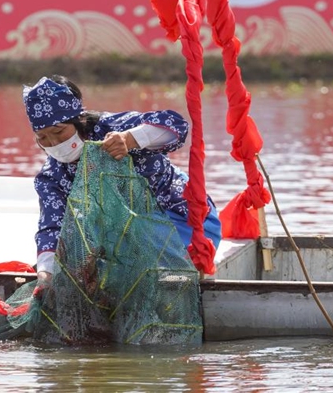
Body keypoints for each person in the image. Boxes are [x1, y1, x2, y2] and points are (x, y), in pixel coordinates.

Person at [23, 75, 222, 287]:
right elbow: (52, 226)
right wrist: (46, 272)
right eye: (42, 138)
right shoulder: (51, 176)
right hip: (126, 238)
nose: (53, 143)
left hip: (183, 223)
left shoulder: (112, 128)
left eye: (58, 131)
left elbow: (176, 125)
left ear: (78, 120)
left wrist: (130, 139)